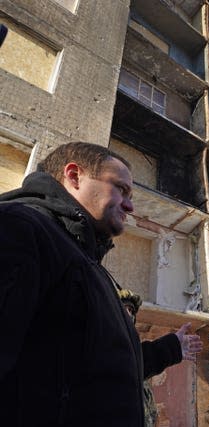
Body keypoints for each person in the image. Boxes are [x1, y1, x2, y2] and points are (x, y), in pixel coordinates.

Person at [0, 142, 143, 425]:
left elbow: (98, 370)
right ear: (74, 176)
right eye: (121, 189)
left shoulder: (88, 263)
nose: (130, 205)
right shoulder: (20, 227)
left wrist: (172, 348)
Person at [118, 289, 203, 427]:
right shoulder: (95, 349)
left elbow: (137, 363)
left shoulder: (134, 358)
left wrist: (172, 348)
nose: (129, 314)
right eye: (123, 308)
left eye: (131, 310)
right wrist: (170, 348)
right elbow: (124, 366)